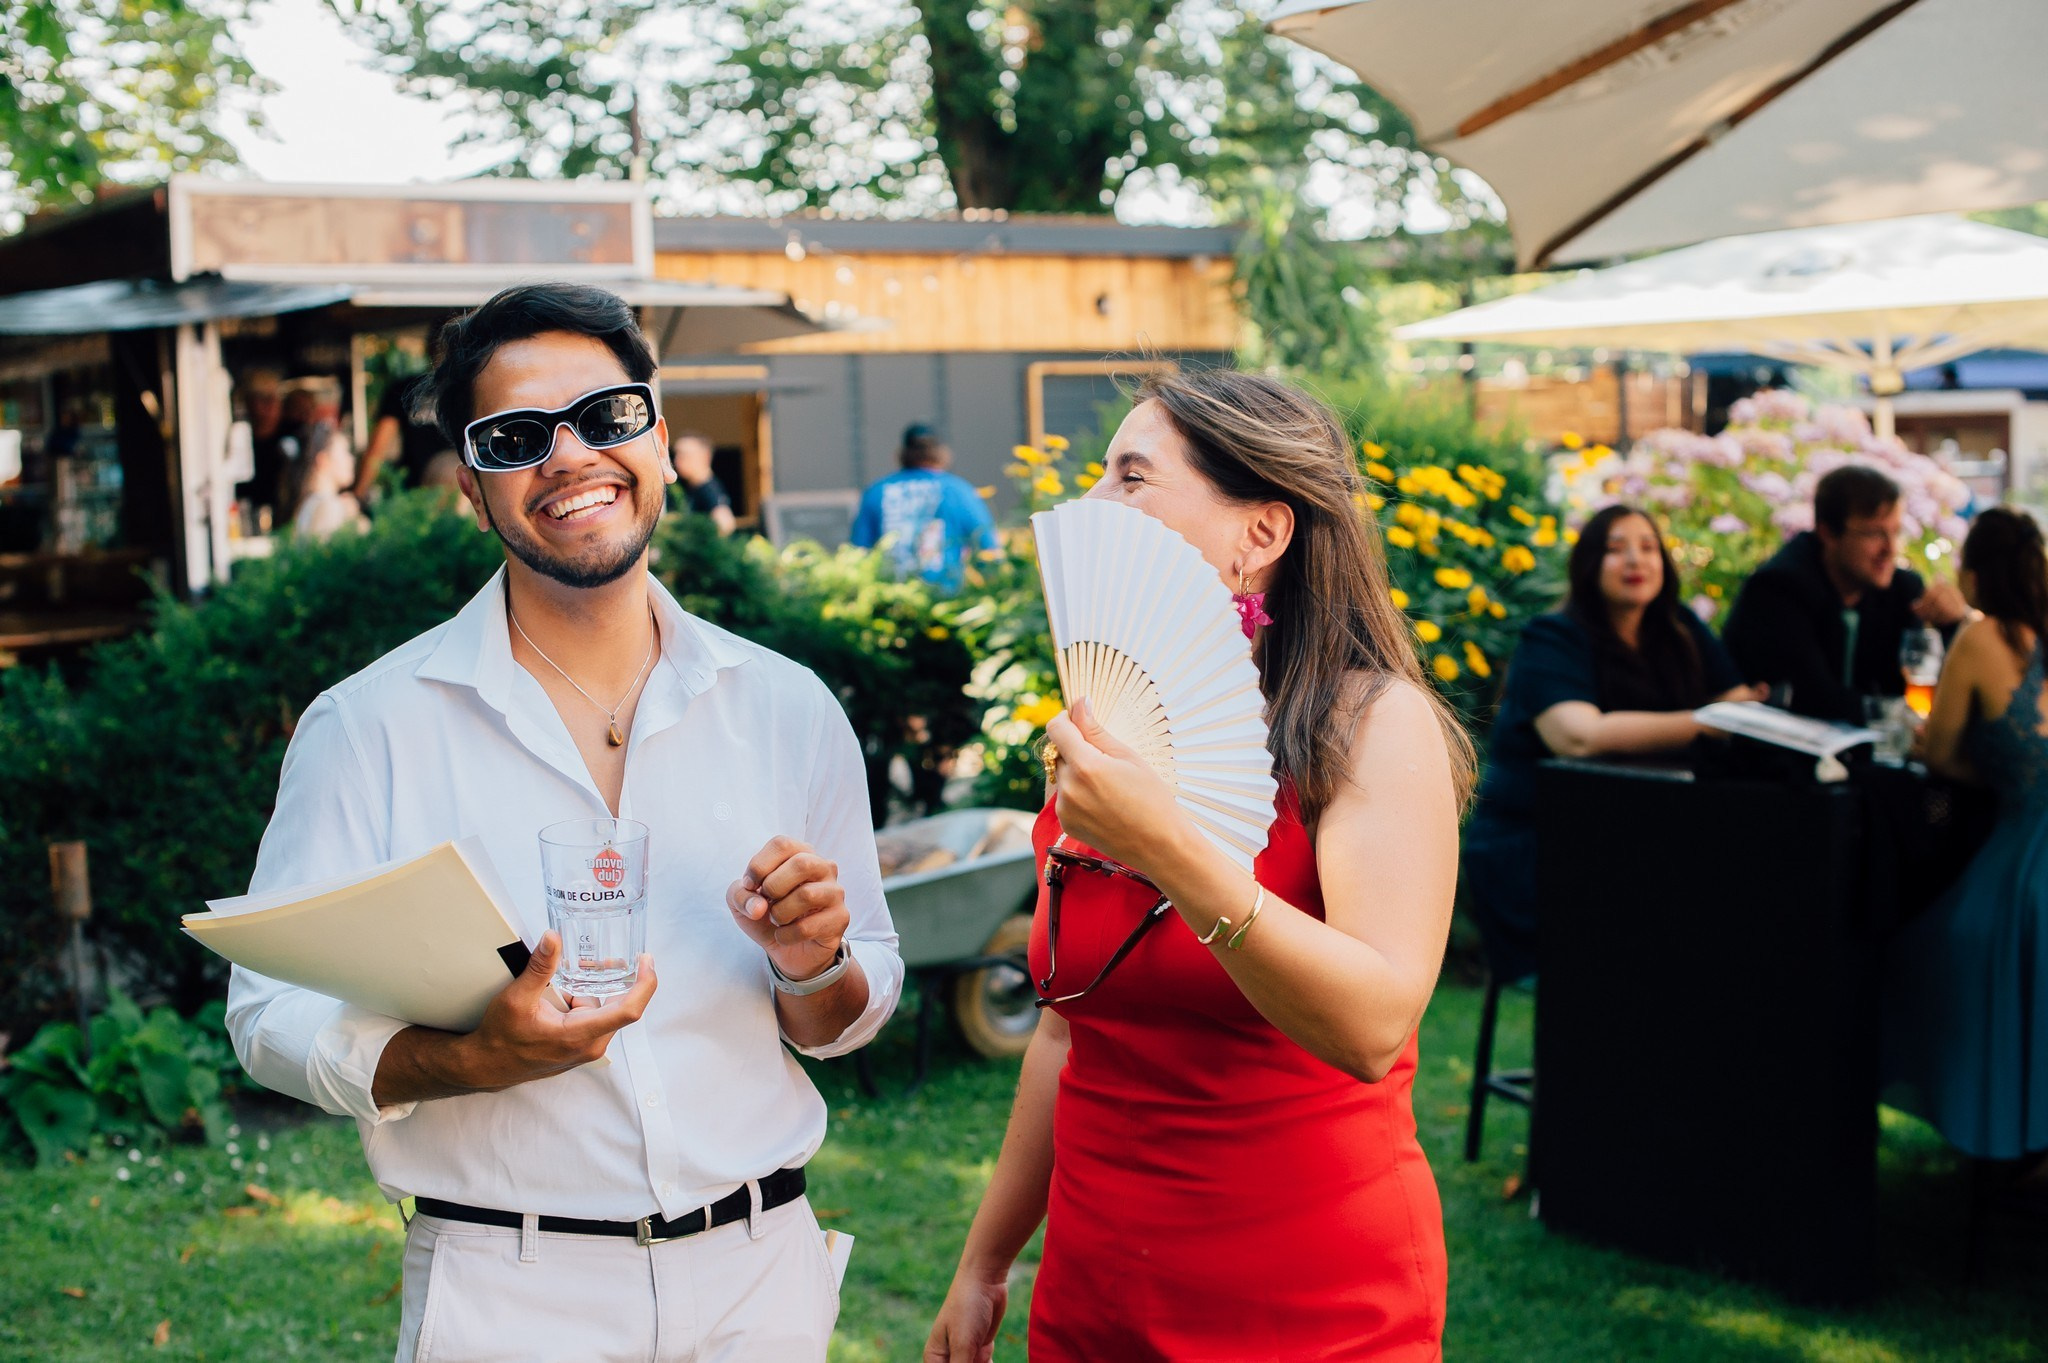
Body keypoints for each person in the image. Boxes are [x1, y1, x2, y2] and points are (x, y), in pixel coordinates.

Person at [226, 283, 902, 1362]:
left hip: (759, 1278)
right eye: (516, 436)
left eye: (607, 415)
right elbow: (266, 1014)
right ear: (471, 489)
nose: (571, 454)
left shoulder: (787, 707)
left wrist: (815, 965)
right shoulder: (370, 725)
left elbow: (841, 1017)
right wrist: (464, 1059)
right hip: (509, 1293)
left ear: (658, 436)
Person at [926, 370, 1468, 1362]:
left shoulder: (1366, 727)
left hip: (1307, 1295)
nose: (1091, 505)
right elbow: (1062, 1032)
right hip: (1095, 1290)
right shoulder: (1108, 734)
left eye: (1130, 476)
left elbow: (1370, 1022)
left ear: (1256, 537)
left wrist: (1164, 847)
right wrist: (987, 1262)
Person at [1462, 505, 1764, 983]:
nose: (1635, 561)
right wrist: (1709, 721)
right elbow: (1578, 736)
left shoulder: (1679, 629)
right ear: (1587, 564)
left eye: (1647, 548)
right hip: (1545, 850)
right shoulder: (1552, 637)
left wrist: (1734, 711)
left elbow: (1739, 701)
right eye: (1615, 548)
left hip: (1641, 842)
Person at [1884, 506, 2048, 1165]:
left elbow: (1943, 754)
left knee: (1909, 954)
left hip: (2026, 859)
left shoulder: (1980, 640)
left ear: (1973, 575)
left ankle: (2003, 1129)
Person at [1722, 465, 1970, 722]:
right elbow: (1814, 698)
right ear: (1828, 533)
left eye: (1896, 532)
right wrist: (1894, 713)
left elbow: (1939, 688)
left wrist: (1953, 625)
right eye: (1874, 533)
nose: (1890, 549)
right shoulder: (1778, 589)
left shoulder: (1903, 590)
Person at [849, 423, 997, 591]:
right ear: (942, 453)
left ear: (901, 454)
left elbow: (857, 554)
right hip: (946, 603)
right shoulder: (958, 491)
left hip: (889, 601)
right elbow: (989, 552)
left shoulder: (876, 492)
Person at [352, 372, 453, 499]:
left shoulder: (464, 386)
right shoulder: (406, 387)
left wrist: (359, 494)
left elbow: (379, 444)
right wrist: (360, 492)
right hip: (430, 491)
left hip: (420, 493)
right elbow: (380, 444)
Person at [288, 426, 369, 540]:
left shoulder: (308, 503)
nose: (351, 459)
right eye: (345, 452)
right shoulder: (331, 506)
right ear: (323, 460)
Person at [671, 429, 737, 535]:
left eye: (684, 455)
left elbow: (725, 524)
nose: (677, 460)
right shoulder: (691, 487)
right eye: (676, 454)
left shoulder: (709, 489)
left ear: (704, 457)